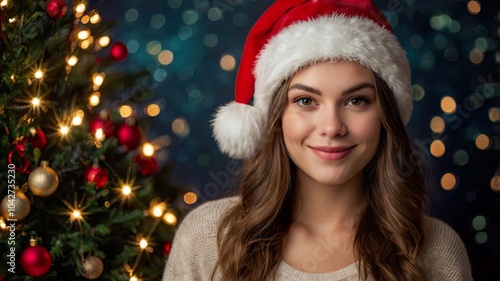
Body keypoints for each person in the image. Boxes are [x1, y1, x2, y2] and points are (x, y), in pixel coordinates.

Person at [163, 0, 473, 280]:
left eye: (356, 101)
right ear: (275, 116)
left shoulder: (437, 251)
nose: (332, 127)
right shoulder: (206, 239)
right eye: (305, 101)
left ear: (386, 115)